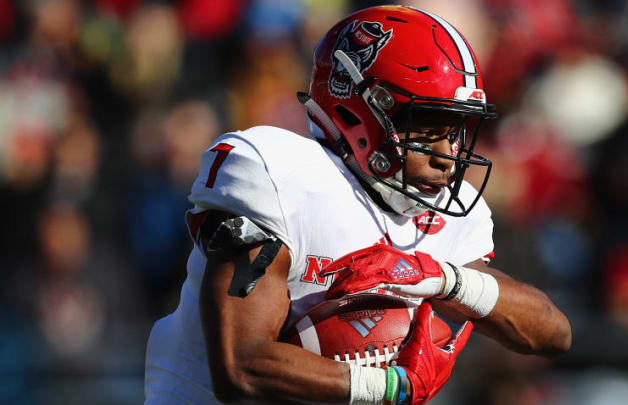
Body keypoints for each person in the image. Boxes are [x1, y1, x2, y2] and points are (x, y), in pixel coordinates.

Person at [144, 5, 571, 405]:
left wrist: (443, 278)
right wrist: (391, 387)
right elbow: (242, 367)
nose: (446, 154)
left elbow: (553, 333)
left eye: (455, 128)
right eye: (425, 127)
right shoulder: (279, 176)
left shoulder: (445, 214)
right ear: (358, 109)